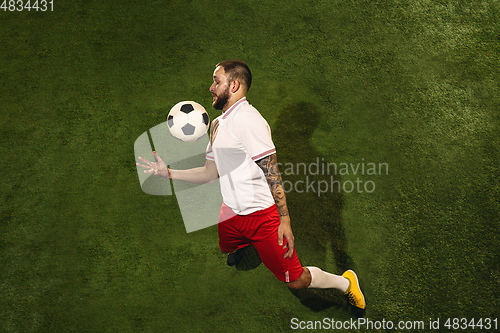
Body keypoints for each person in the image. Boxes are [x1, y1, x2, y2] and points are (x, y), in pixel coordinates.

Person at [137, 60, 366, 318]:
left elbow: (272, 171)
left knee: (295, 279)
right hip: (231, 211)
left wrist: (285, 220)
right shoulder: (217, 124)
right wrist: (167, 172)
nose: (211, 87)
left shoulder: (249, 122)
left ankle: (346, 283)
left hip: (262, 218)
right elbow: (210, 173)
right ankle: (247, 244)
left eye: (216, 81)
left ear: (233, 85)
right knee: (228, 247)